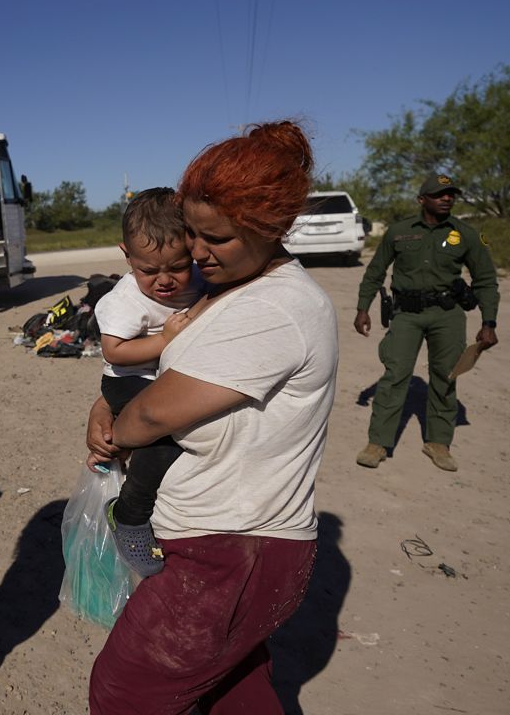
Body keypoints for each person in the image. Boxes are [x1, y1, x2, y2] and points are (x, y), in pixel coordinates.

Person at [85, 122, 338, 714]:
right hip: (224, 546)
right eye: (193, 234)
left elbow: (152, 412)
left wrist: (116, 431)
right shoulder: (231, 285)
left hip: (232, 551)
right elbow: (153, 375)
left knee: (125, 695)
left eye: (216, 238)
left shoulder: (272, 308)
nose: (197, 253)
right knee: (234, 692)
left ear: (272, 228)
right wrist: (105, 401)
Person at [354, 174, 499, 471]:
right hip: (406, 314)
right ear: (422, 200)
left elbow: (485, 279)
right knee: (395, 375)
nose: (447, 199)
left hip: (448, 315)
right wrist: (363, 308)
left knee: (446, 377)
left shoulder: (466, 234)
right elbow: (375, 272)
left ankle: (438, 442)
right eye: (439, 194)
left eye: (451, 194)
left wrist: (489, 322)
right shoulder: (399, 232)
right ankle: (378, 442)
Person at [94, 187, 203, 577]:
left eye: (176, 266)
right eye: (148, 270)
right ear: (127, 256)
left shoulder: (200, 280)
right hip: (127, 380)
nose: (164, 281)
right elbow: (114, 351)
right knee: (166, 440)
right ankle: (130, 514)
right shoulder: (125, 300)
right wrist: (163, 341)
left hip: (160, 377)